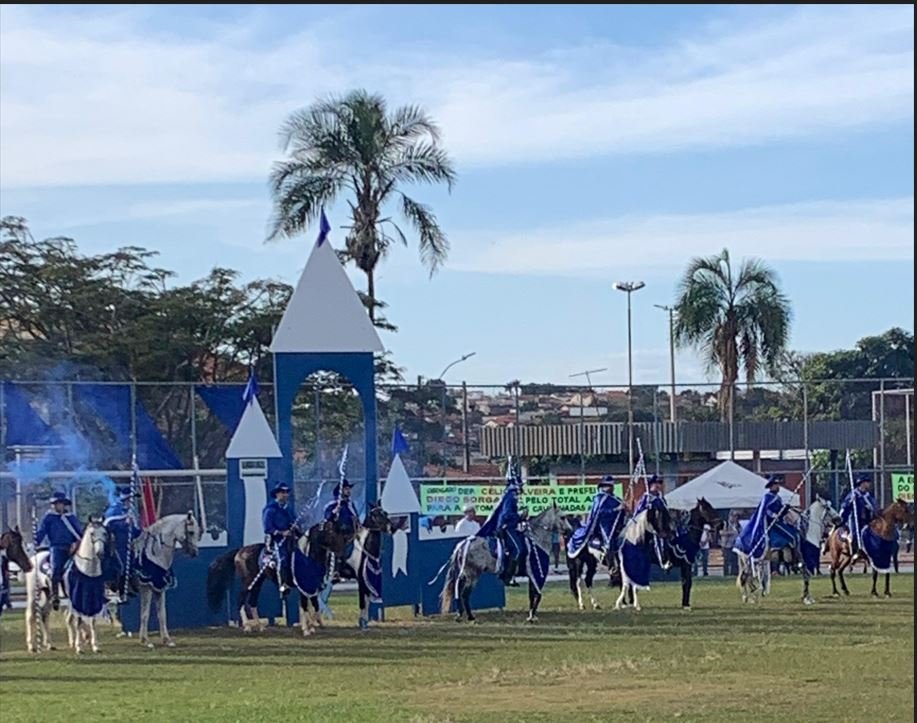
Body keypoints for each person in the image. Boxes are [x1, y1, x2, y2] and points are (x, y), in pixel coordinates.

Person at [477, 462, 526, 586]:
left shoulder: (511, 495)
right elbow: (506, 514)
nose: (521, 488)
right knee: (518, 550)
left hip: (511, 526)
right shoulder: (511, 496)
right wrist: (519, 516)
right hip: (506, 527)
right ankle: (507, 576)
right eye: (520, 485)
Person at [35, 490, 83, 610]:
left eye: (60, 503)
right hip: (57, 547)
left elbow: (79, 533)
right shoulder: (49, 518)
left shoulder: (71, 518)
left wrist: (77, 544)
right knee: (56, 569)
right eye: (56, 504)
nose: (58, 506)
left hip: (73, 547)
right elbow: (42, 532)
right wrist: (36, 542)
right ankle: (55, 595)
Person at [734, 475, 797, 560]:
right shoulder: (767, 497)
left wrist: (784, 509)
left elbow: (779, 511)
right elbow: (766, 510)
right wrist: (775, 514)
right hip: (767, 523)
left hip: (776, 522)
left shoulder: (777, 498)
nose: (778, 487)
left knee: (792, 533)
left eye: (778, 485)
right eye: (776, 485)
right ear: (771, 486)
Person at [566, 476, 624, 560]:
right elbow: (599, 512)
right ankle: (609, 558)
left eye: (612, 485)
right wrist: (615, 509)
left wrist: (624, 509)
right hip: (603, 524)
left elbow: (621, 511)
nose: (612, 488)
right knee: (609, 540)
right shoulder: (599, 498)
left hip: (616, 523)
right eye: (609, 485)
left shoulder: (616, 499)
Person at [103, 486, 142, 599]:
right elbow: (109, 526)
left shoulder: (131, 511)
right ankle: (119, 589)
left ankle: (129, 586)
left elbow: (134, 529)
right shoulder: (114, 510)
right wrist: (124, 524)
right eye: (130, 498)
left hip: (128, 544)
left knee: (132, 563)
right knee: (122, 565)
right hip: (116, 544)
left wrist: (139, 532)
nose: (132, 501)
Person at [262, 482, 296, 595]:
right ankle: (283, 583)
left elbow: (294, 520)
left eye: (286, 492)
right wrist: (282, 532)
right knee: (283, 559)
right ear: (277, 494)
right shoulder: (270, 509)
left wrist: (295, 526)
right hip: (276, 540)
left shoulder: (288, 509)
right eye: (282, 492)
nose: (285, 495)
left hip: (290, 539)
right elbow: (267, 528)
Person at [323, 478, 360, 580]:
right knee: (339, 545)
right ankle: (337, 569)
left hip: (353, 532)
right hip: (339, 533)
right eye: (346, 489)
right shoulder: (333, 504)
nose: (349, 491)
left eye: (349, 489)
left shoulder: (350, 504)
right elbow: (327, 517)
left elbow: (355, 517)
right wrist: (334, 511)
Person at [839, 473, 878, 555]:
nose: (869, 484)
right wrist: (851, 501)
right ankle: (853, 551)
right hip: (854, 519)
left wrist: (870, 507)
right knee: (854, 535)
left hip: (867, 520)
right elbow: (844, 506)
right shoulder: (853, 494)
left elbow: (874, 506)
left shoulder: (868, 495)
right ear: (862, 483)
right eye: (867, 482)